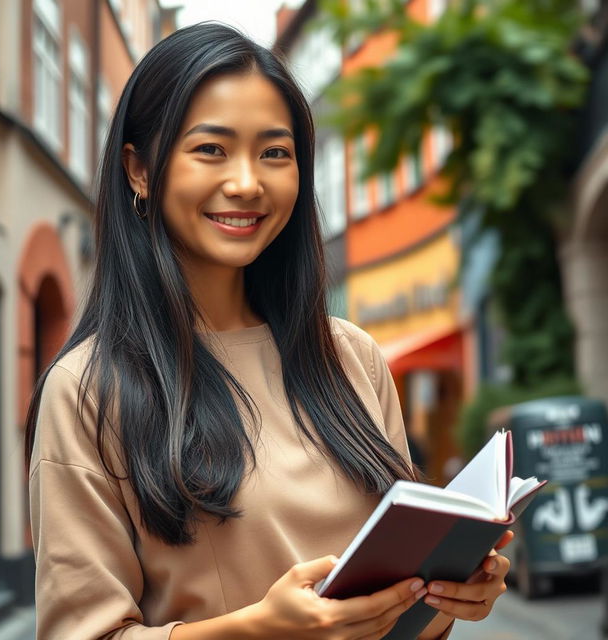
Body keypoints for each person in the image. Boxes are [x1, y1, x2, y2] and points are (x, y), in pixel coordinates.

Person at [25, 22, 510, 640]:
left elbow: (401, 614)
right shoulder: (88, 391)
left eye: (275, 153)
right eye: (211, 149)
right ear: (139, 169)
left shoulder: (351, 356)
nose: (248, 183)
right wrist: (256, 630)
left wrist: (447, 595)